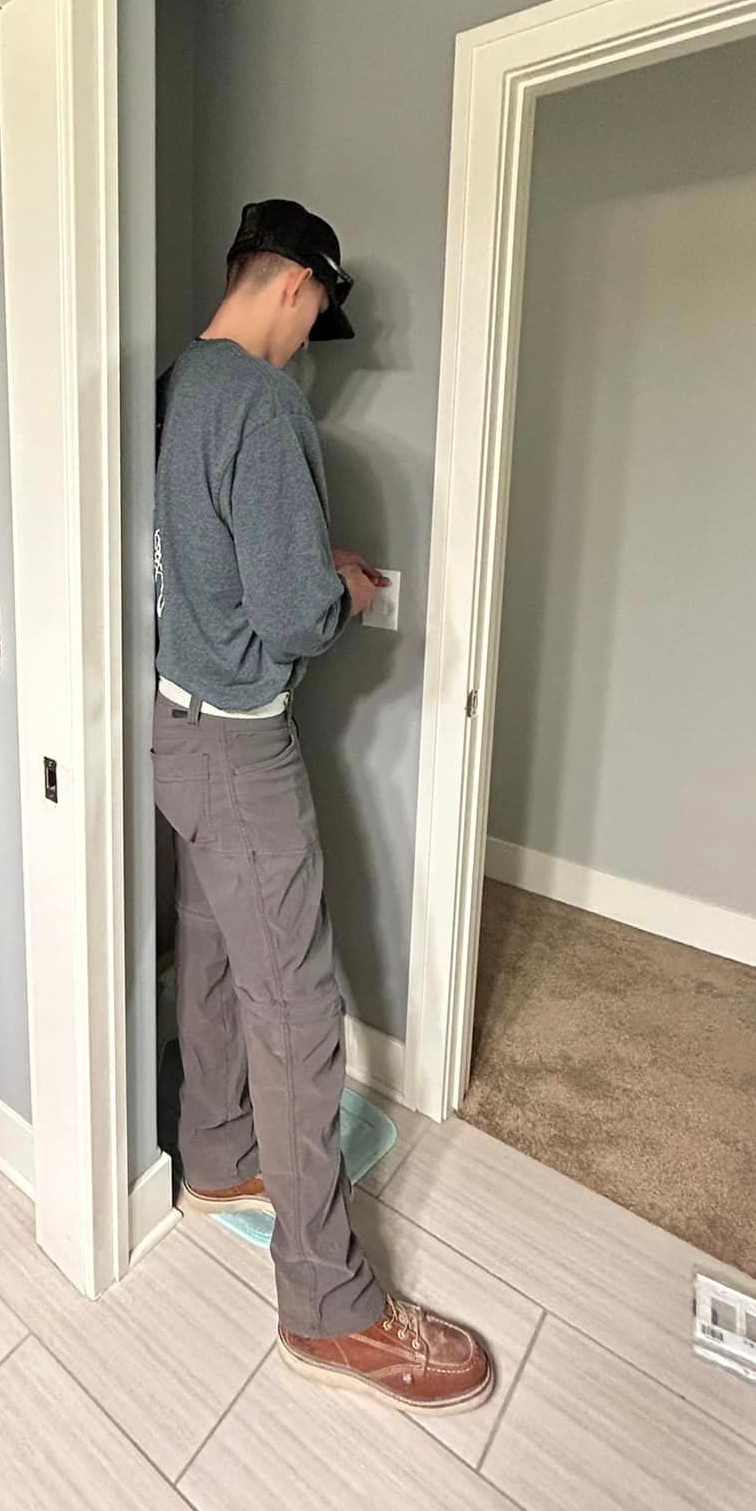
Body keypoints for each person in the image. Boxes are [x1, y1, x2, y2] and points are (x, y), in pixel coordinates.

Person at [153, 200, 494, 1413]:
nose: (311, 342)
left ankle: (214, 1157)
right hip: (242, 746)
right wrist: (343, 587)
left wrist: (300, 580)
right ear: (294, 284)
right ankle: (327, 1303)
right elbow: (293, 611)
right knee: (298, 1009)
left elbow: (196, 566)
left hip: (169, 729)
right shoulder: (260, 399)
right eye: (315, 315)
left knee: (206, 948)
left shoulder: (172, 385)